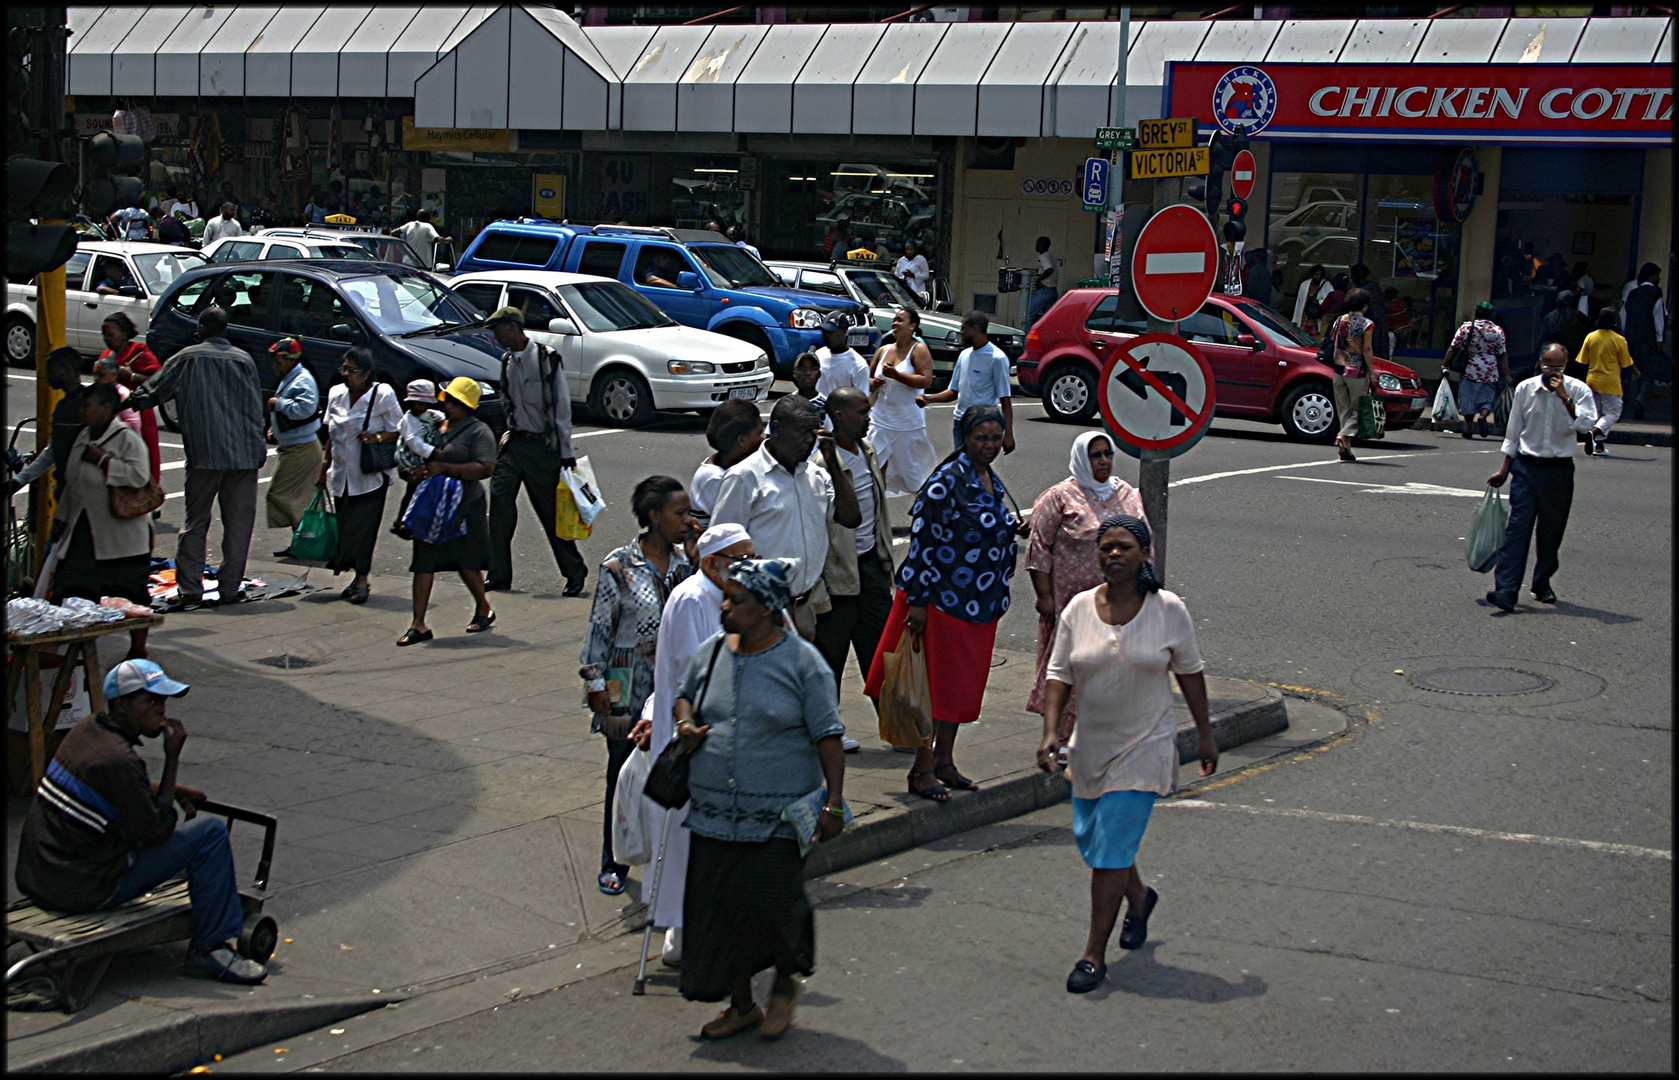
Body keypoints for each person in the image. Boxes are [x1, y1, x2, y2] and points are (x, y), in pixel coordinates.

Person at [1034, 514, 1217, 994]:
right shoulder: (1077, 609)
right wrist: (1051, 731)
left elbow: (1191, 675)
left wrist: (1205, 734)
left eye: (1124, 548)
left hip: (1146, 745)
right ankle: (1139, 897)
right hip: (1091, 747)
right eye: (1106, 548)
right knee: (1095, 841)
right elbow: (1058, 674)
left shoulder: (1168, 610)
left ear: (1144, 555)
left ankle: (1093, 953)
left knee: (1110, 850)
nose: (1114, 555)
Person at [672, 557, 847, 1041]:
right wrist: (685, 724)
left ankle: (786, 982)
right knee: (720, 913)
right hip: (712, 814)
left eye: (738, 600)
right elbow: (684, 696)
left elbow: (829, 737)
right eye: (726, 598)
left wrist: (834, 804)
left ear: (768, 609)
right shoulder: (712, 652)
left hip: (776, 817)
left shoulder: (803, 663)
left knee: (774, 906)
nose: (725, 607)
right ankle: (741, 1005)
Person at [13, 659, 267, 984]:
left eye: (162, 702)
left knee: (180, 839)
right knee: (210, 833)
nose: (161, 711)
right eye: (150, 702)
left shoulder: (87, 731)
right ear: (121, 705)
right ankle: (211, 949)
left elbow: (119, 789)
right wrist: (173, 759)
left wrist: (170, 790)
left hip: (38, 877)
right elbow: (157, 831)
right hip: (83, 890)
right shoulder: (118, 759)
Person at [864, 405, 1018, 802]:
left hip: (980, 602)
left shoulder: (989, 479)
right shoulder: (945, 482)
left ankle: (945, 760)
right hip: (940, 603)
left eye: (995, 438)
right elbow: (924, 545)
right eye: (981, 438)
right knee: (929, 687)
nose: (989, 446)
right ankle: (922, 767)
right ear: (965, 438)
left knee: (958, 687)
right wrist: (917, 603)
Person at [632, 522, 757, 968]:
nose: (751, 566)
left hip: (727, 739)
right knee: (685, 842)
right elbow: (693, 678)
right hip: (694, 740)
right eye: (742, 559)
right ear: (713, 564)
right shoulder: (691, 600)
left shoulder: (739, 598)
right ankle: (682, 934)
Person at [579, 476, 697, 896]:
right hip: (626, 685)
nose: (687, 520)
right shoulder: (618, 567)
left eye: (688, 512)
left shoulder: (688, 564)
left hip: (671, 689)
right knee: (622, 772)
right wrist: (595, 683)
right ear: (654, 517)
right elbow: (599, 628)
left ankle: (663, 855)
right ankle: (614, 859)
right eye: (679, 513)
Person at [128, 308, 266, 608]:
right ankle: (230, 588)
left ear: (202, 328)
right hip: (244, 454)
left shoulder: (187, 357)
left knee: (195, 522)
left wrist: (122, 398)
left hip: (205, 453)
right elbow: (256, 408)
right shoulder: (244, 359)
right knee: (239, 525)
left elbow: (152, 392)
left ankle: (190, 588)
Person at [711, 395, 860, 640]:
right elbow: (721, 549)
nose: (810, 439)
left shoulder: (815, 475)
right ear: (777, 428)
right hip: (761, 610)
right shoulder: (744, 477)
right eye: (802, 431)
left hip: (807, 604)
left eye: (814, 431)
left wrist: (833, 463)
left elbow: (851, 518)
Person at [1026, 431, 1148, 729]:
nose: (1104, 461)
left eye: (1108, 454)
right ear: (1082, 458)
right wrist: (1045, 597)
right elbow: (1039, 546)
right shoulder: (1059, 497)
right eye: (1096, 455)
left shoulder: (1127, 494)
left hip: (1119, 604)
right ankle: (1064, 734)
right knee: (1072, 666)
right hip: (1071, 604)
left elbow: (1146, 542)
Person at [46, 382, 155, 659]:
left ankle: (138, 647)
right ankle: (67, 647)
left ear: (107, 408)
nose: (83, 410)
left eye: (88, 405)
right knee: (70, 587)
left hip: (122, 537)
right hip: (83, 529)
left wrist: (104, 461)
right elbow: (73, 483)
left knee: (130, 592)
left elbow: (139, 477)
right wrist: (60, 518)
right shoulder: (84, 436)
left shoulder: (126, 439)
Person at [1485, 343, 1596, 612]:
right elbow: (1514, 433)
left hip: (1558, 470)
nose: (1551, 371)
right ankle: (1507, 590)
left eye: (1557, 367)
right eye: (1547, 365)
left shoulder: (1579, 391)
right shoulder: (1526, 389)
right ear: (1539, 363)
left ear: (1566, 366)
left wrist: (1564, 397)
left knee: (1551, 530)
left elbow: (1586, 425)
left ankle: (1542, 582)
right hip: (1527, 468)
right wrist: (1504, 470)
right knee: (1517, 529)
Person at [485, 305, 586, 595]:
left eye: (498, 330)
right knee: (500, 502)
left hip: (543, 447)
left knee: (550, 513)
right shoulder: (506, 361)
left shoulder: (545, 359)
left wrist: (566, 453)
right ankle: (499, 574)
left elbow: (562, 407)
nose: (496, 336)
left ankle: (574, 571)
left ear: (514, 328)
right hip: (515, 442)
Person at [813, 387, 894, 745]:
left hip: (871, 566)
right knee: (830, 654)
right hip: (838, 574)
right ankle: (830, 729)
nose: (868, 418)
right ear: (840, 416)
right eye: (862, 412)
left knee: (880, 653)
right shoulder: (820, 465)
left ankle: (897, 726)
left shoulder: (868, 450)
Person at [397, 378, 500, 646]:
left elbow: (485, 468)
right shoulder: (433, 425)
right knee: (424, 562)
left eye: (456, 402)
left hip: (465, 505)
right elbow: (413, 454)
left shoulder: (478, 431)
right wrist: (410, 473)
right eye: (448, 400)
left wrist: (446, 468)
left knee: (467, 562)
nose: (450, 405)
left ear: (469, 406)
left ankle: (483, 607)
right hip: (431, 505)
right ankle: (418, 623)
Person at [318, 347, 400, 604]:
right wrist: (323, 469)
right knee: (347, 530)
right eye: (343, 369)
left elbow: (400, 430)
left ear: (366, 374)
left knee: (364, 530)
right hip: (341, 477)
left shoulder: (382, 394)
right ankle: (354, 577)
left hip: (369, 477)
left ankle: (362, 580)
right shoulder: (336, 394)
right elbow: (330, 436)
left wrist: (377, 437)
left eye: (351, 371)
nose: (346, 375)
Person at [865, 307, 938, 498]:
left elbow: (926, 380)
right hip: (880, 419)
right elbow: (868, 381)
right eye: (894, 320)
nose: (894, 324)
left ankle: (926, 508)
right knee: (873, 465)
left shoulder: (919, 349)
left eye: (900, 320)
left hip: (906, 422)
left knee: (911, 473)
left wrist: (897, 375)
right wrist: (875, 383)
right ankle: (877, 512)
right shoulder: (883, 350)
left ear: (913, 326)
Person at [920, 310, 1014, 453]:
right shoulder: (964, 355)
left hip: (982, 424)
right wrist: (928, 398)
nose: (961, 332)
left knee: (975, 468)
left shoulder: (997, 358)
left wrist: (1008, 434)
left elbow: (1005, 400)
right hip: (960, 423)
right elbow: (953, 392)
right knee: (962, 467)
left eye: (964, 328)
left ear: (975, 329)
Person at [7, 350, 89, 508]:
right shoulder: (62, 407)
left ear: (67, 369)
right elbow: (53, 450)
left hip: (84, 495)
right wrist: (20, 480)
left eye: (51, 369)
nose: (47, 375)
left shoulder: (88, 405)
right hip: (67, 493)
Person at [263, 338, 322, 540]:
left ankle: (305, 538)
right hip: (294, 446)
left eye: (278, 362)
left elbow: (306, 409)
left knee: (282, 495)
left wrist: (279, 404)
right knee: (298, 497)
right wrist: (276, 428)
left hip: (302, 448)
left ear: (290, 360)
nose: (275, 367)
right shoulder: (291, 377)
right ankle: (301, 540)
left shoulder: (303, 380)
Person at [99, 313, 162, 485]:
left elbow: (158, 379)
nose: (106, 339)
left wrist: (131, 376)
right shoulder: (105, 355)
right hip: (112, 412)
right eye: (104, 334)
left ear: (124, 333)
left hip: (138, 410)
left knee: (144, 452)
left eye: (110, 334)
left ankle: (149, 493)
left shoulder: (139, 352)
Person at [1575, 306, 1639, 457]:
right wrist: (1636, 372)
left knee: (1597, 414)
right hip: (1610, 382)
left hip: (1592, 380)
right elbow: (1626, 363)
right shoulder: (1619, 340)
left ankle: (1599, 447)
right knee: (1613, 413)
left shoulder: (1591, 336)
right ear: (1614, 322)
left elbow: (1582, 360)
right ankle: (1594, 433)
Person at [689, 399, 763, 525]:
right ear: (742, 440)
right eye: (758, 434)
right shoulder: (714, 478)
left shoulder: (730, 465)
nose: (762, 440)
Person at [1445, 301, 1511, 441]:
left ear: (1476, 313)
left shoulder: (1467, 327)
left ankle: (1468, 429)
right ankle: (1482, 416)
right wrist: (1507, 374)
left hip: (1470, 368)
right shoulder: (1498, 331)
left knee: (1468, 400)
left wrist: (1445, 365)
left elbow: (1453, 348)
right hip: (1489, 369)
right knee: (1487, 399)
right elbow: (1502, 354)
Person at [1328, 288, 1376, 463]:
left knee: (1344, 410)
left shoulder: (1339, 320)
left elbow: (1332, 341)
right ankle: (1343, 435)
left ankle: (1346, 448)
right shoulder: (1367, 324)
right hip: (1357, 372)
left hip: (1338, 370)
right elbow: (1367, 350)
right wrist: (1372, 373)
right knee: (1358, 409)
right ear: (1364, 306)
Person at [391, 378, 444, 535]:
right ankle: (402, 521)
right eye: (415, 404)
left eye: (422, 404)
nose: (418, 407)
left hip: (423, 460)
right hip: (411, 460)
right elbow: (414, 442)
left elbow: (440, 417)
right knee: (413, 491)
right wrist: (432, 452)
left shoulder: (431, 415)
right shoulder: (409, 420)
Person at [1620, 263, 1666, 420]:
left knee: (1634, 371)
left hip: (1632, 338)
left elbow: (1624, 315)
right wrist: (1660, 338)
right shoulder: (1655, 294)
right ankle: (1639, 401)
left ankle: (1632, 401)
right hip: (1648, 340)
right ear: (1651, 276)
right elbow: (1658, 317)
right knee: (1649, 373)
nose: (1659, 279)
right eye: (1657, 275)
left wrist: (1624, 335)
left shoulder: (1632, 294)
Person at [813, 314, 870, 403]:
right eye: (824, 332)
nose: (826, 336)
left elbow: (861, 402)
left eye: (830, 332)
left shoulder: (859, 365)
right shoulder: (819, 354)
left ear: (844, 331)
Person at [1349, 263, 1389, 360]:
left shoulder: (1360, 291)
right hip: (1381, 324)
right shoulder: (1375, 287)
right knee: (1380, 356)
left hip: (1371, 326)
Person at [1292, 263, 1333, 339]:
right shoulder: (1304, 284)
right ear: (1312, 275)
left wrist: (1319, 302)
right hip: (1304, 316)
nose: (1318, 277)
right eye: (1316, 274)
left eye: (1320, 275)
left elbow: (1330, 299)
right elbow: (1299, 302)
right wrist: (1295, 318)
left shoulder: (1327, 285)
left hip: (1316, 317)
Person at [1026, 235, 1059, 329]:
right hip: (1052, 290)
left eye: (1037, 244)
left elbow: (1049, 269)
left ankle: (1027, 340)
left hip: (1044, 290)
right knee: (1048, 319)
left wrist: (1038, 279)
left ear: (1040, 245)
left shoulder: (1043, 256)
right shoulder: (1050, 256)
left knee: (1028, 316)